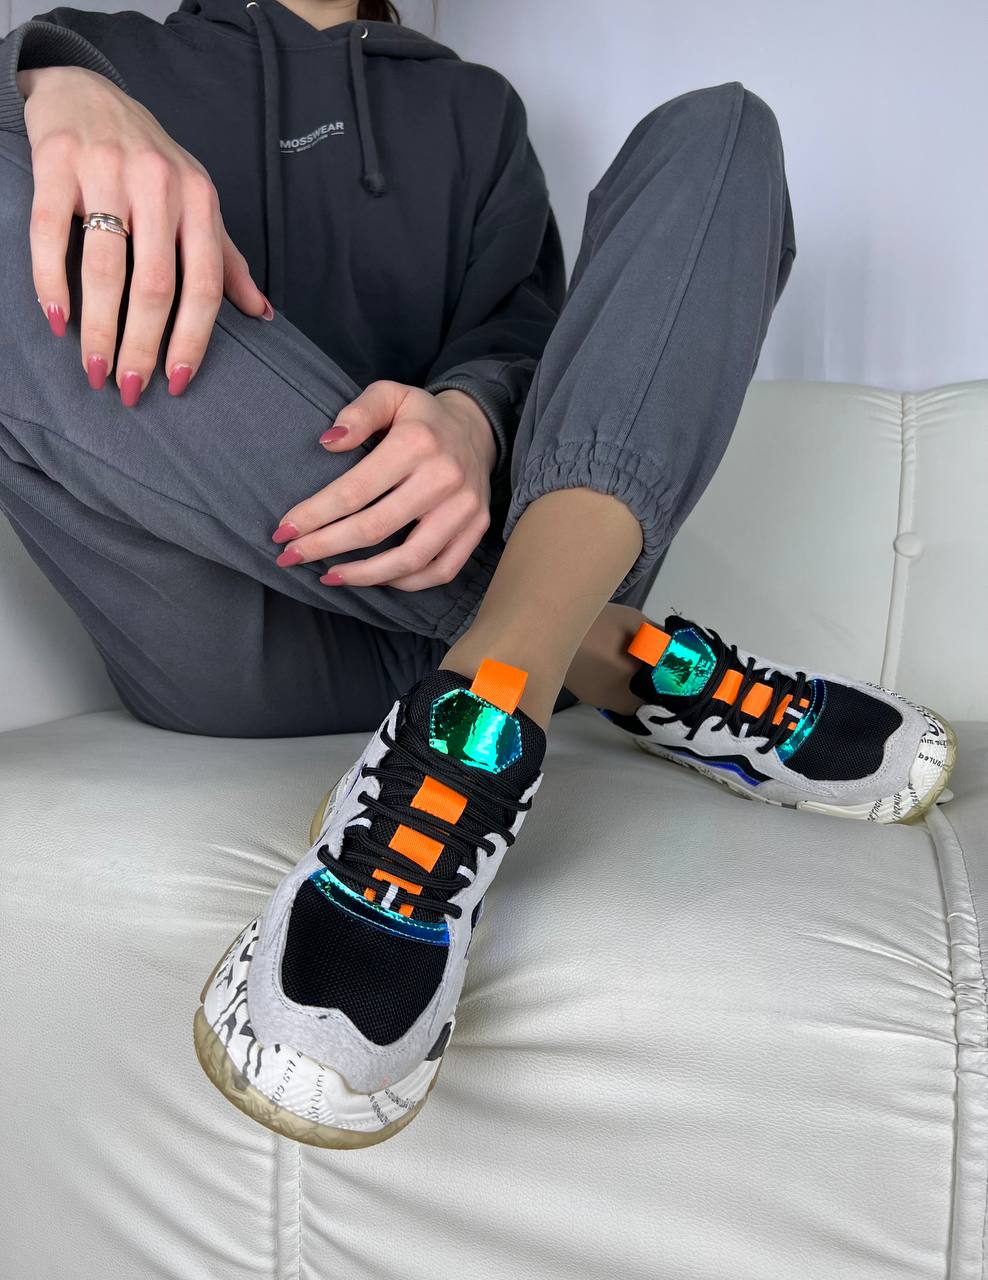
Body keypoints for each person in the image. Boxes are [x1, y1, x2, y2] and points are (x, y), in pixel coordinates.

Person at [0, 0, 955, 1148]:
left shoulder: (475, 110)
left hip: (464, 568)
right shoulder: (103, 54)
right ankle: (594, 650)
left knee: (722, 133)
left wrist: (471, 414)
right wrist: (48, 79)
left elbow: (524, 343)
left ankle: (484, 700)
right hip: (230, 635)